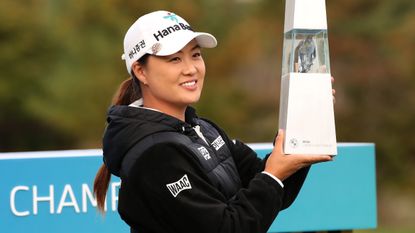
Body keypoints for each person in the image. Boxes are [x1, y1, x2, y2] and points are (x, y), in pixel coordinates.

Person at [93, 10, 332, 233]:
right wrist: (273, 175)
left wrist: (304, 117)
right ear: (141, 71)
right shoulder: (154, 155)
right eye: (174, 59)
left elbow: (269, 190)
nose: (191, 69)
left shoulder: (203, 128)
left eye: (195, 55)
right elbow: (229, 226)